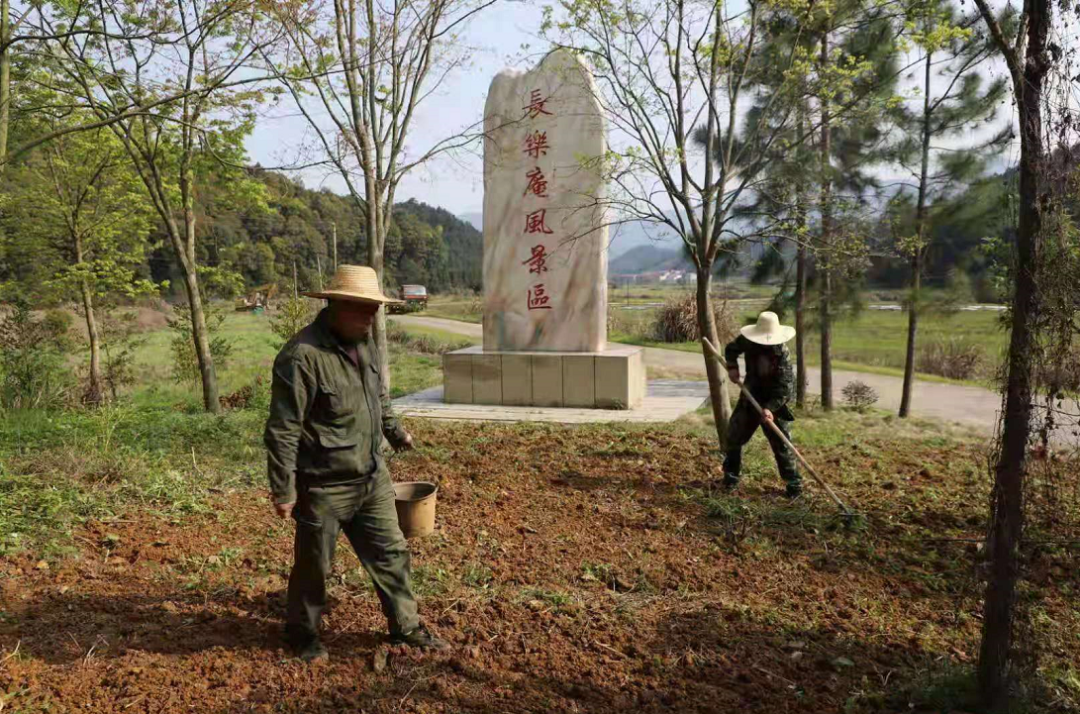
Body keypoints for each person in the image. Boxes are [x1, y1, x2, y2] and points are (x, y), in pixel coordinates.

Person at [264, 264, 448, 662]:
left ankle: (407, 627)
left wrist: (396, 432)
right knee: (315, 567)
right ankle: (302, 634)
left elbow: (378, 399)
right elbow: (283, 428)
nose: (371, 318)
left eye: (375, 309)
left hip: (372, 477)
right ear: (335, 306)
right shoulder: (301, 357)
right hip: (323, 485)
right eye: (363, 309)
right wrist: (283, 488)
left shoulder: (366, 345)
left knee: (392, 553)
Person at [721, 311, 802, 498]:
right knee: (733, 436)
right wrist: (732, 367)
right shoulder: (749, 340)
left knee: (782, 445)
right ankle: (730, 477)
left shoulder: (782, 355)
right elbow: (731, 349)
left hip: (775, 403)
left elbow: (785, 389)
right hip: (750, 397)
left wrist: (770, 408)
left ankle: (794, 485)